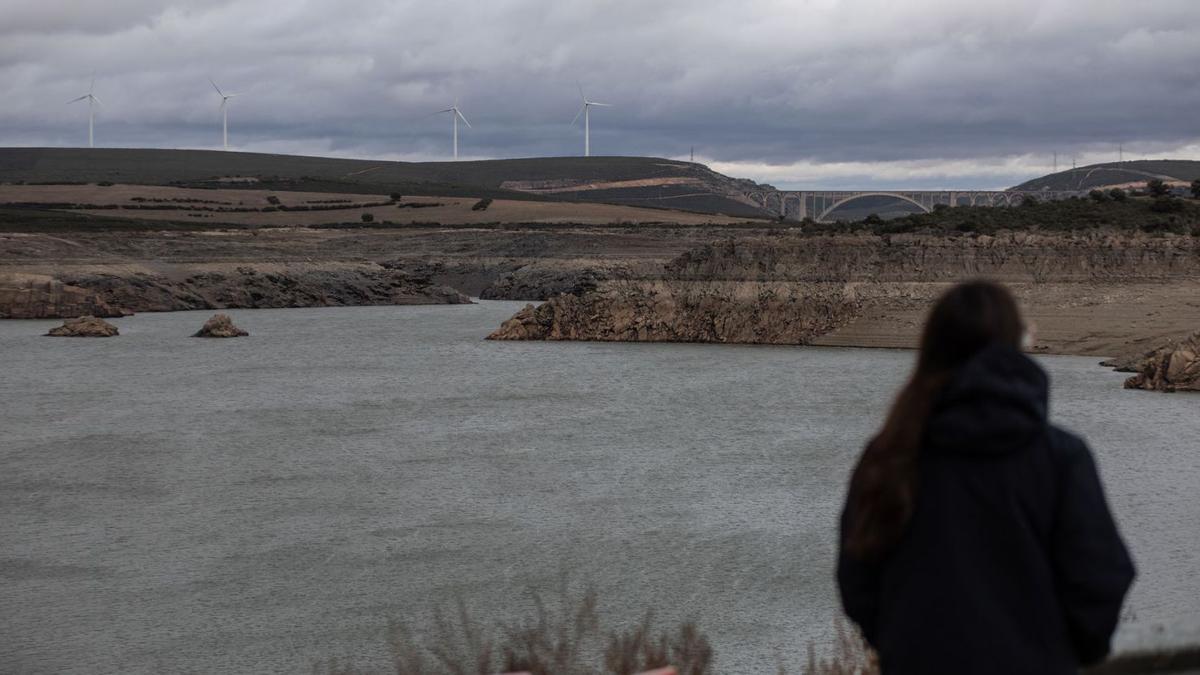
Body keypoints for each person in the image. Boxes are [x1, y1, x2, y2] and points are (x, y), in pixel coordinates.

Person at [836, 281, 1135, 675]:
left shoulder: (890, 454)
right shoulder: (1060, 457)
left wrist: (900, 643)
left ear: (933, 348)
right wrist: (1063, 652)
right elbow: (1102, 577)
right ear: (1016, 344)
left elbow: (857, 577)